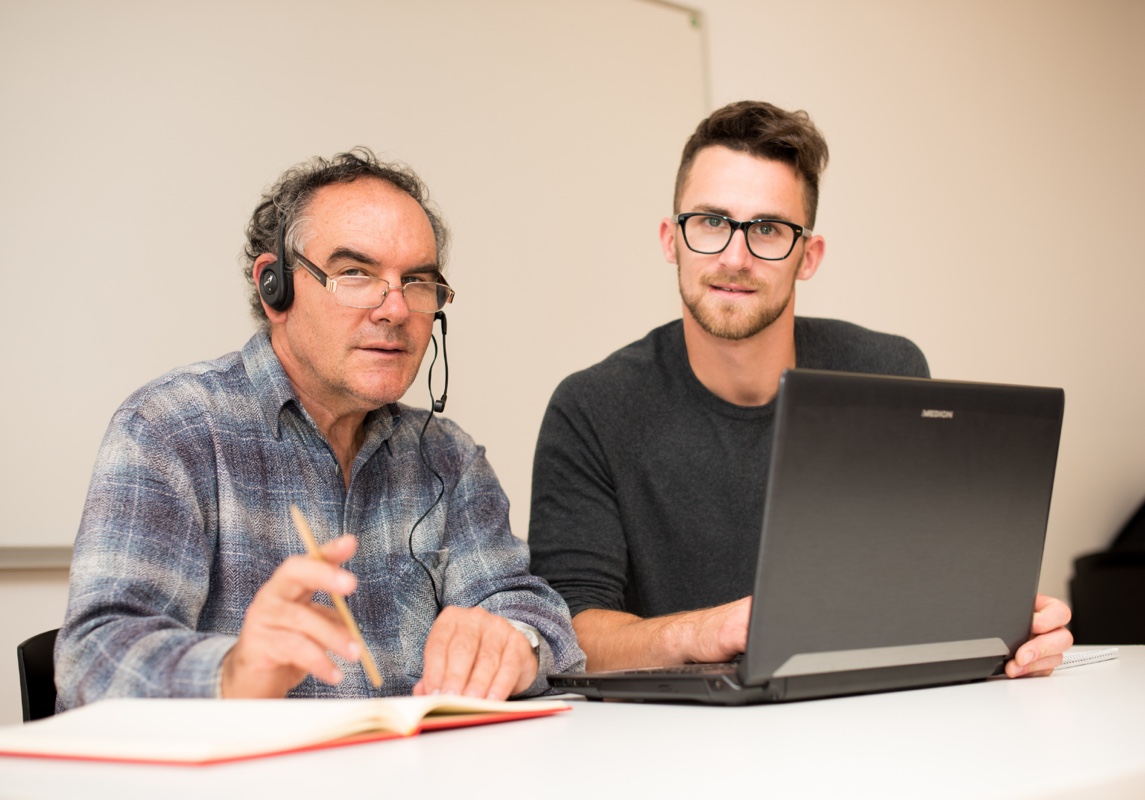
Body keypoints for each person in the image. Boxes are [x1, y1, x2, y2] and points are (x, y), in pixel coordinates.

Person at [528, 100, 1071, 676]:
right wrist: (705, 632)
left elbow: (927, 584)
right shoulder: (591, 408)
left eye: (768, 229)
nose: (735, 257)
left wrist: (1007, 631)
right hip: (685, 726)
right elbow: (571, 632)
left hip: (863, 710)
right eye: (711, 222)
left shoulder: (886, 373)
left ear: (808, 256)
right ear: (671, 240)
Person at [56, 148, 583, 707]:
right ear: (274, 287)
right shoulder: (171, 429)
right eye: (355, 274)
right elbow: (92, 658)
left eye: (417, 281)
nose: (395, 310)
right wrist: (233, 671)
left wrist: (513, 643)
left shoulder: (447, 456)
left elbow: (532, 612)